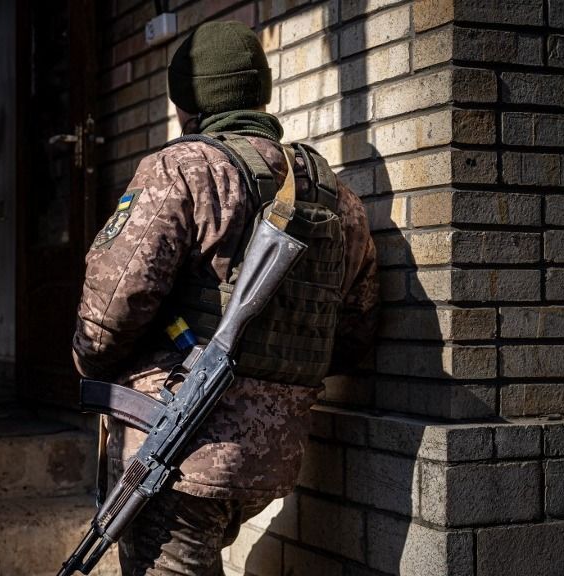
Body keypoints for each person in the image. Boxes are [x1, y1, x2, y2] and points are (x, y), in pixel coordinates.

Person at [72, 21, 379, 575]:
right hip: (276, 453)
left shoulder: (182, 169)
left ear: (186, 101)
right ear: (257, 90)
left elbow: (110, 309)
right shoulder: (334, 191)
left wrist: (90, 358)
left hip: (179, 450)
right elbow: (355, 331)